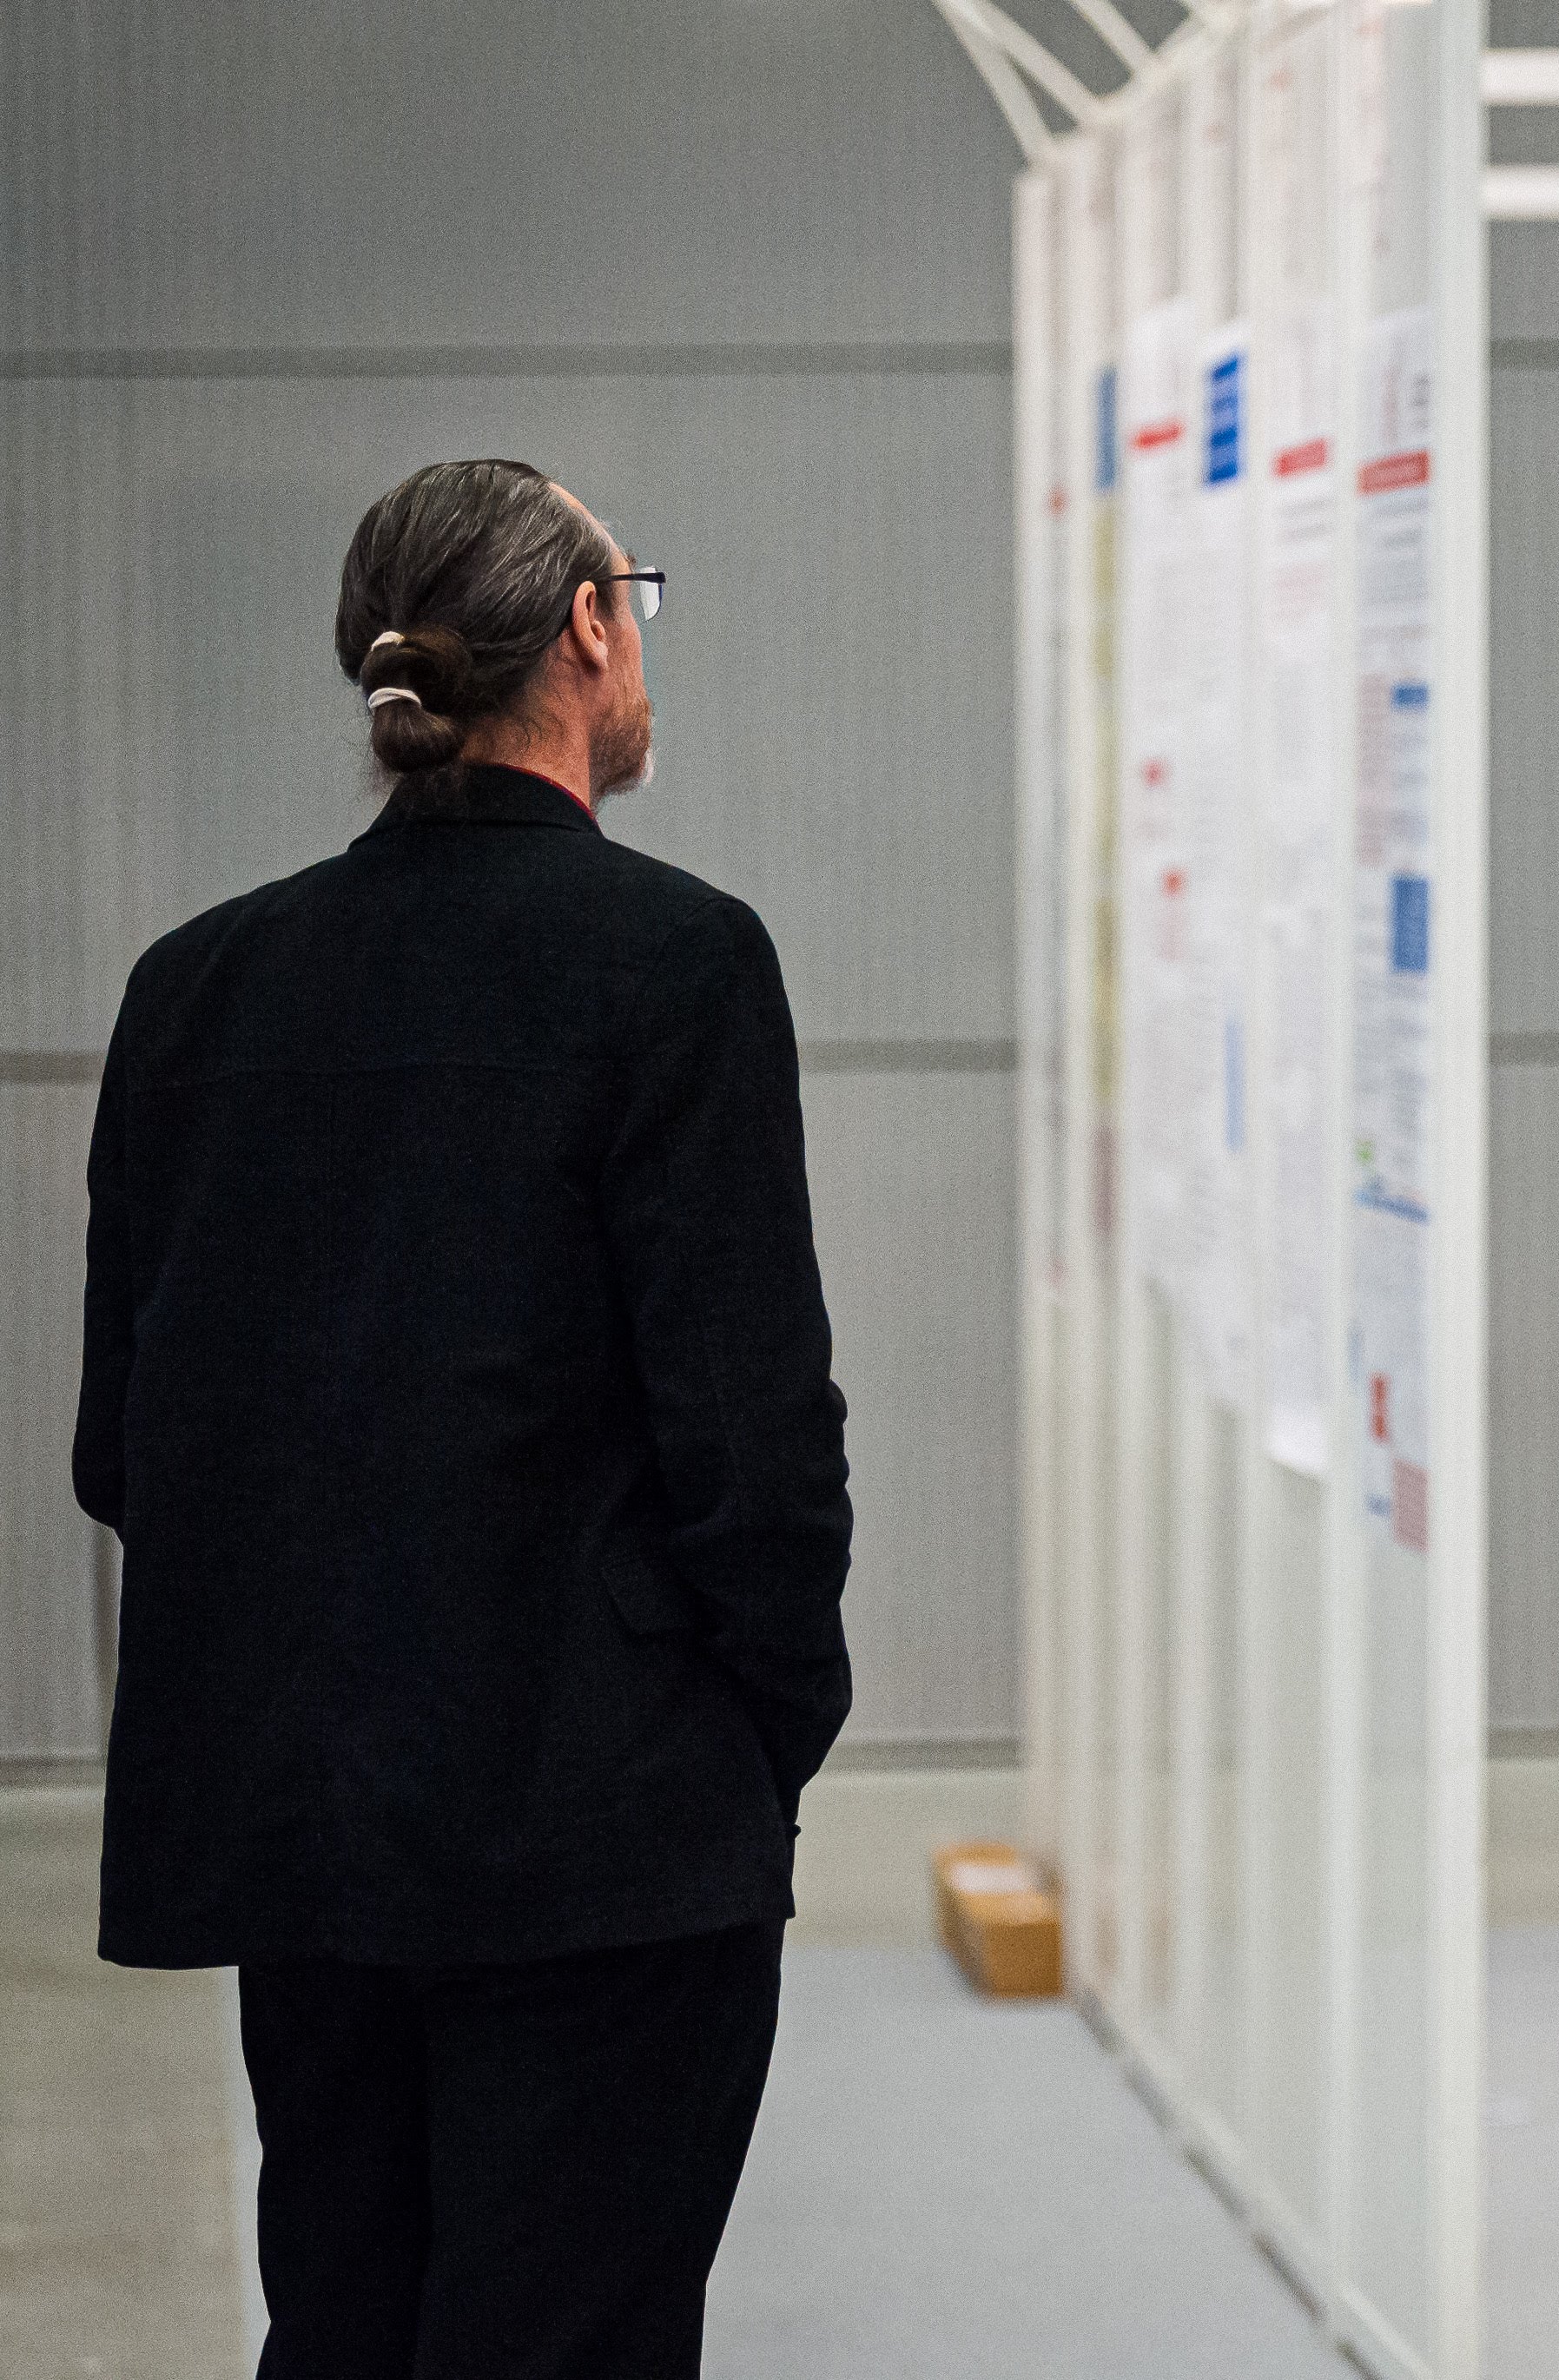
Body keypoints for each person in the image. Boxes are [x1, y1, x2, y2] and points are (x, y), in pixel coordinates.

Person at [71, 458, 853, 2379]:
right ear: (590, 628)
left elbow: (123, 1450)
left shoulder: (198, 987)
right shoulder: (676, 965)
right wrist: (757, 1742)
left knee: (343, 2329)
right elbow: (754, 1456)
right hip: (603, 1841)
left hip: (308, 1844)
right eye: (633, 598)